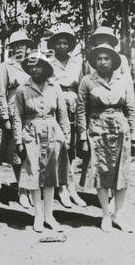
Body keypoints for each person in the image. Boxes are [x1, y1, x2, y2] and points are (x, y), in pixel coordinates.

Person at [77, 44, 135, 232]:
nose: (102, 62)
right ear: (94, 61)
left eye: (106, 58)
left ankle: (118, 214)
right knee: (101, 173)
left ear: (113, 61)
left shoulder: (124, 80)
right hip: (97, 130)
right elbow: (80, 109)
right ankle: (105, 215)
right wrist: (83, 137)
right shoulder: (87, 80)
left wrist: (133, 134)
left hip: (120, 130)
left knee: (122, 174)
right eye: (99, 59)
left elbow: (131, 108)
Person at [14, 52, 70, 233]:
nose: (34, 69)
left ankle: (49, 216)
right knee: (34, 175)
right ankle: (38, 216)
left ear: (45, 68)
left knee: (50, 176)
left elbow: (63, 114)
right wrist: (18, 141)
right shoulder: (23, 89)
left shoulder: (55, 87)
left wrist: (66, 137)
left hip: (53, 132)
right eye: (31, 66)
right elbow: (17, 116)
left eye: (38, 66)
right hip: (31, 133)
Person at [47, 25, 87, 208]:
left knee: (72, 149)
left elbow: (82, 86)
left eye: (66, 43)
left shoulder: (77, 63)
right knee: (59, 147)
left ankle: (72, 188)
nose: (62, 46)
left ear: (70, 45)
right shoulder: (48, 63)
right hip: (56, 106)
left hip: (74, 105)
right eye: (59, 43)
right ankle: (61, 189)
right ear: (54, 45)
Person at [0, 30, 34, 209]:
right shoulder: (6, 66)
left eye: (22, 45)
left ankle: (31, 186)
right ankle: (21, 189)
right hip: (14, 112)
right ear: (11, 48)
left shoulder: (34, 63)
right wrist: (5, 117)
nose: (20, 49)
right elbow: (1, 93)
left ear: (27, 47)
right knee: (17, 152)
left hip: (31, 112)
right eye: (16, 46)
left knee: (32, 149)